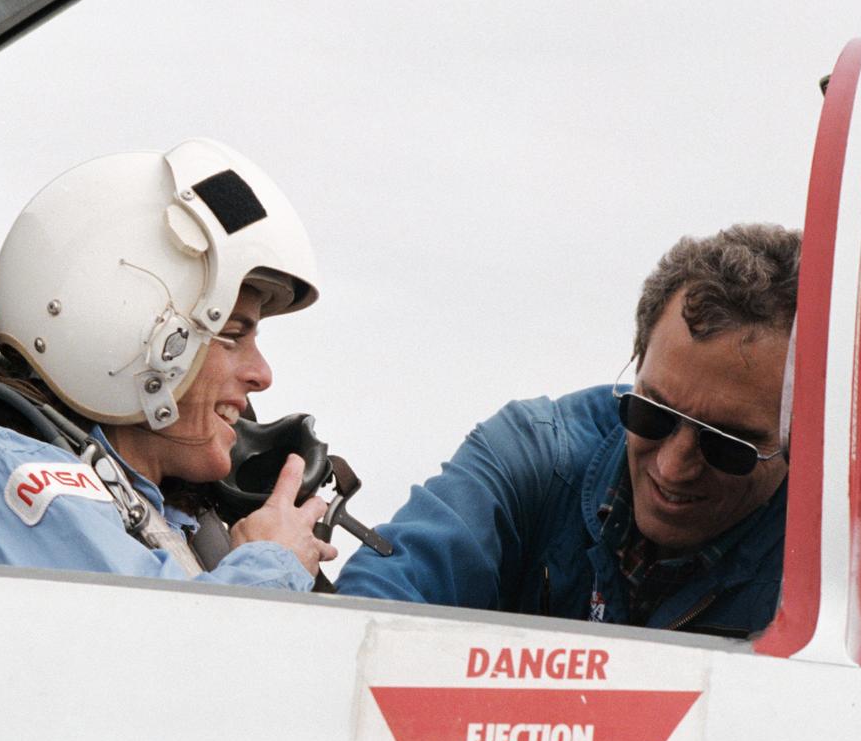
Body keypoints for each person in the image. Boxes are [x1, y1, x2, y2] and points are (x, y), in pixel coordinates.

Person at [0, 139, 337, 590]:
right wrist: (274, 563)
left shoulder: (170, 522)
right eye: (231, 335)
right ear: (130, 326)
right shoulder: (9, 475)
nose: (261, 375)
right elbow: (172, 652)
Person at [336, 224, 800, 636]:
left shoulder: (846, 565)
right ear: (635, 365)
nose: (673, 466)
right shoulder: (533, 457)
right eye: (651, 414)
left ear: (802, 441)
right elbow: (366, 614)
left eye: (725, 446)